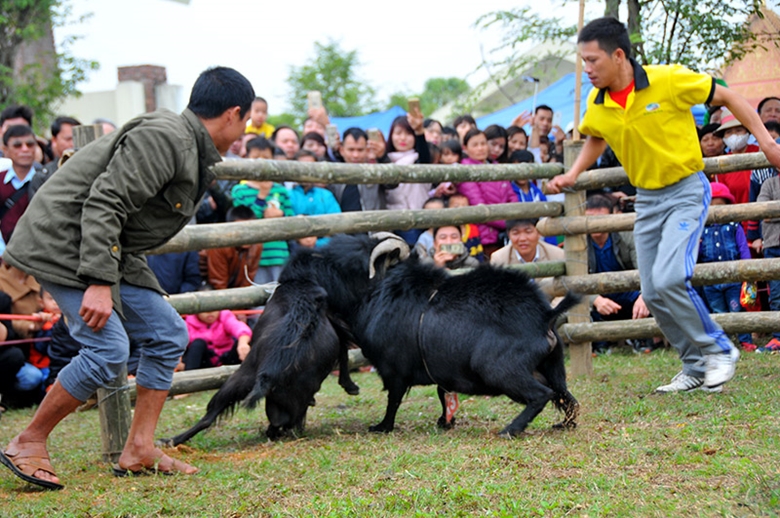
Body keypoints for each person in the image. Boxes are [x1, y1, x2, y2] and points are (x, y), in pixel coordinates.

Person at [0, 66, 255, 489]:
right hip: (66, 242)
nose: (244, 130)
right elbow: (106, 202)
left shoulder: (188, 145)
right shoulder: (165, 137)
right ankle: (28, 439)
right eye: (245, 120)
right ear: (232, 113)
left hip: (107, 249)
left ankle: (139, 447)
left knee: (167, 332)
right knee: (109, 348)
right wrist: (100, 282)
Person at [547, 17, 780, 392]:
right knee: (654, 291)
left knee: (672, 277)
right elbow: (595, 136)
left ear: (618, 55)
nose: (586, 69)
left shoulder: (668, 79)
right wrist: (574, 172)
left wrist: (767, 142)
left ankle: (720, 349)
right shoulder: (599, 100)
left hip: (686, 190)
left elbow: (729, 95)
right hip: (649, 200)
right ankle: (695, 368)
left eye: (592, 61)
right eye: (583, 61)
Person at [698, 183, 754, 351]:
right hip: (710, 280)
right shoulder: (701, 230)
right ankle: (724, 343)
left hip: (733, 277)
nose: (716, 213)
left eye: (720, 208)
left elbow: (743, 248)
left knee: (737, 309)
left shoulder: (734, 226)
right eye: (711, 208)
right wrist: (696, 246)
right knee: (717, 312)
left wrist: (748, 270)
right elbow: (697, 256)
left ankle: (745, 340)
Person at [456, 128, 518, 257]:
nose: (480, 148)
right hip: (484, 237)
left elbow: (512, 196)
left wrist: (513, 217)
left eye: (483, 144)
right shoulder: (464, 171)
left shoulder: (497, 167)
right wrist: (508, 222)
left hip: (505, 233)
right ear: (465, 148)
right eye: (475, 145)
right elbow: (479, 206)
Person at [181, 286, 252, 371]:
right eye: (205, 308)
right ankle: (189, 379)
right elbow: (177, 341)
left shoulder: (225, 316)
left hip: (227, 360)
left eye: (214, 307)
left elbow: (240, 328)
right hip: (202, 364)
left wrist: (243, 344)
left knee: (242, 342)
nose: (210, 312)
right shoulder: (188, 323)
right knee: (198, 344)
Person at [206, 206, 263, 290]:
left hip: (236, 288)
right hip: (209, 287)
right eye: (241, 230)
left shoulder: (256, 246)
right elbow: (218, 283)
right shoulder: (219, 245)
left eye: (250, 230)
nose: (246, 235)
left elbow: (249, 279)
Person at [0, 125, 38, 252]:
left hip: (38, 257)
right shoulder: (0, 180)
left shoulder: (47, 180)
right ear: (5, 149)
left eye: (30, 144)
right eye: (17, 145)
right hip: (5, 258)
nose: (25, 149)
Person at [756, 171, 780, 351]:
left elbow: (770, 213)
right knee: (776, 293)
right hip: (774, 244)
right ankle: (778, 337)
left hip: (773, 242)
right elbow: (762, 210)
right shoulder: (769, 183)